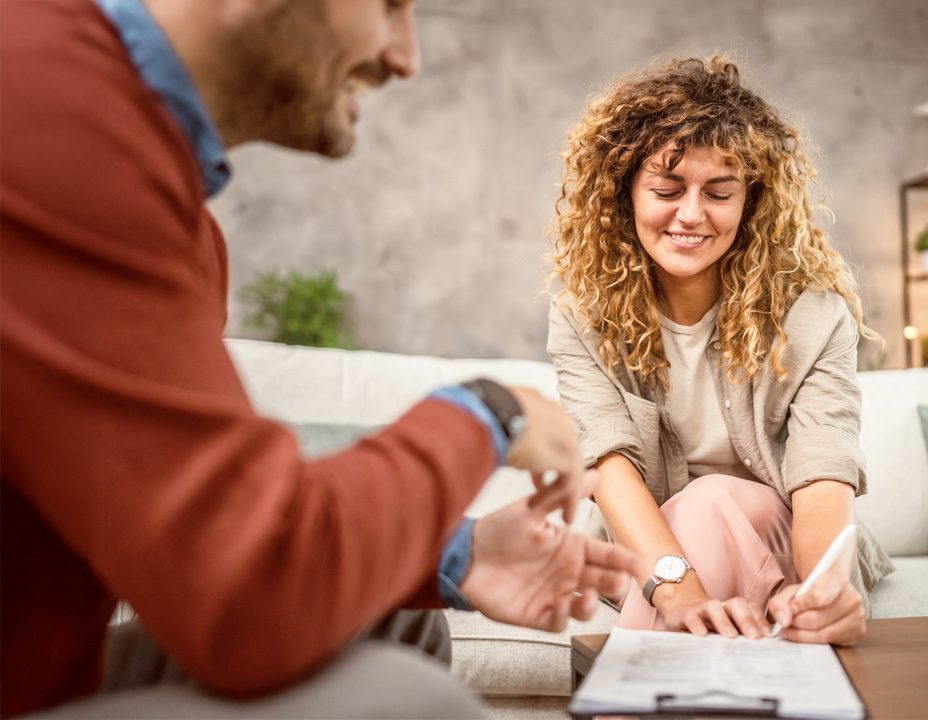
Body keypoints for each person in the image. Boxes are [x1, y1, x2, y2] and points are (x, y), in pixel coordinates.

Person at [0, 0, 645, 717]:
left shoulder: (151, 187)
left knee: (395, 615)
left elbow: (207, 521)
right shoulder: (48, 116)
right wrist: (488, 414)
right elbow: (251, 590)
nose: (406, 57)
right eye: (390, 6)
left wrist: (455, 553)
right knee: (406, 700)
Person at [546, 56, 897, 646]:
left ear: (750, 202)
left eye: (719, 192)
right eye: (666, 188)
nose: (691, 214)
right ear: (622, 194)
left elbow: (821, 467)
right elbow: (608, 466)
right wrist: (681, 592)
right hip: (652, 555)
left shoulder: (812, 316)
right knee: (700, 507)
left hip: (782, 539)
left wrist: (820, 589)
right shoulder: (582, 320)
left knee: (711, 501)